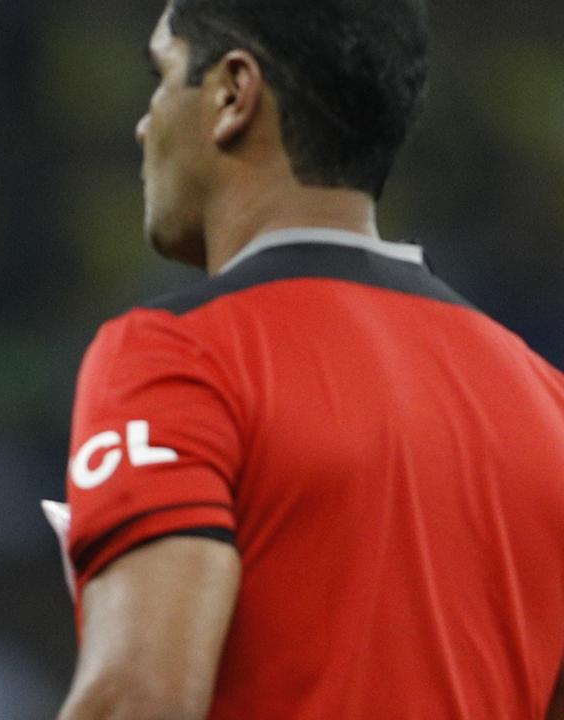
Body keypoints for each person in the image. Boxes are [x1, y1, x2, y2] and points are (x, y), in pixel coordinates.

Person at [49, 1, 564, 718]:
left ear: (233, 94)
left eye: (162, 75)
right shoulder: (547, 402)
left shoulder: (175, 355)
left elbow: (139, 698)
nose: (144, 123)